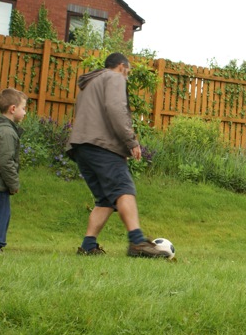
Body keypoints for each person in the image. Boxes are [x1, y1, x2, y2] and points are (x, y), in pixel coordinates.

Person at [66, 52, 170, 257]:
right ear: (122, 66)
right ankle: (137, 242)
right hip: (102, 145)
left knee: (105, 199)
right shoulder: (114, 77)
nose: (127, 77)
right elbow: (116, 109)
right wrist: (131, 141)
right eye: (128, 72)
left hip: (81, 147)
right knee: (124, 189)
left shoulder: (90, 85)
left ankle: (88, 246)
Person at [0, 88, 27, 254]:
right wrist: (13, 184)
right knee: (1, 216)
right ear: (13, 109)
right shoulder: (7, 132)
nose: (25, 112)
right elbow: (5, 162)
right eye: (23, 108)